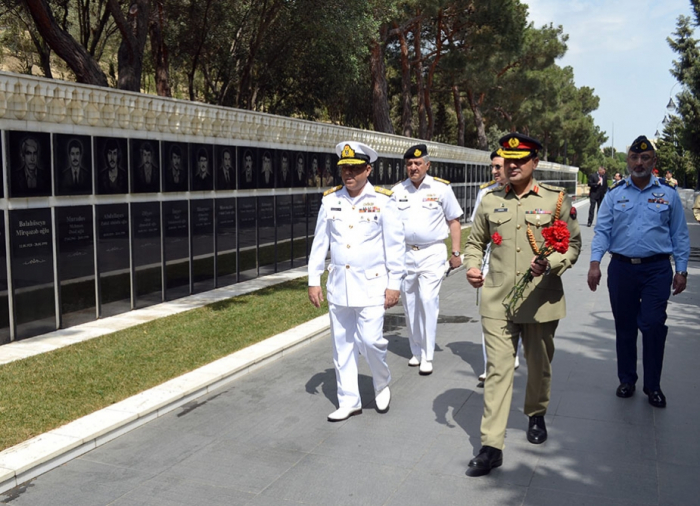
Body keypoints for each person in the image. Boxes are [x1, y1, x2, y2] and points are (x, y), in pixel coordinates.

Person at [464, 132, 581, 477]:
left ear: (535, 162)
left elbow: (572, 245)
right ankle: (491, 445)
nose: (512, 165)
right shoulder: (489, 200)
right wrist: (472, 265)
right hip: (498, 300)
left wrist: (554, 264)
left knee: (538, 365)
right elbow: (475, 242)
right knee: (499, 371)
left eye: (520, 160)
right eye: (507, 159)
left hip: (540, 301)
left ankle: (535, 412)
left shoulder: (556, 201)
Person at [587, 135, 690, 409]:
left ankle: (653, 385)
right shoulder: (615, 193)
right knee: (625, 326)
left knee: (653, 325)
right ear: (628, 160)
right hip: (621, 269)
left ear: (654, 162)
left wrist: (681, 270)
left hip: (657, 269)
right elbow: (602, 232)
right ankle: (627, 379)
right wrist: (595, 263)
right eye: (634, 157)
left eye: (645, 158)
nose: (639, 162)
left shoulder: (668, 194)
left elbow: (679, 234)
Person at [308, 140, 406, 422]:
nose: (348, 173)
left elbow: (395, 246)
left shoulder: (383, 201)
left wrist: (394, 284)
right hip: (340, 285)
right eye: (344, 168)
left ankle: (381, 381)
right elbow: (320, 244)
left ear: (368, 170)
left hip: (373, 285)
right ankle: (349, 400)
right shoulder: (330, 200)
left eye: (355, 168)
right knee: (342, 346)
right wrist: (313, 279)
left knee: (372, 341)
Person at [391, 144, 463, 375]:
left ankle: (428, 355)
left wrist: (456, 252)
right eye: (409, 164)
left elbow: (454, 221)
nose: (413, 168)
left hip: (432, 252)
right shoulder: (397, 191)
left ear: (427, 165)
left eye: (418, 163)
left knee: (428, 299)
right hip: (405, 254)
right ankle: (416, 350)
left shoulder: (441, 189)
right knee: (410, 304)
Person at [472, 151, 520, 386]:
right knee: (489, 312)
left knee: (515, 312)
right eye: (493, 167)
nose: (494, 171)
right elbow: (478, 233)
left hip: (518, 265)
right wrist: (474, 264)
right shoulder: (486, 193)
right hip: (493, 262)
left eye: (498, 167)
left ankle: (512, 352)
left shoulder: (524, 193)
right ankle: (490, 365)